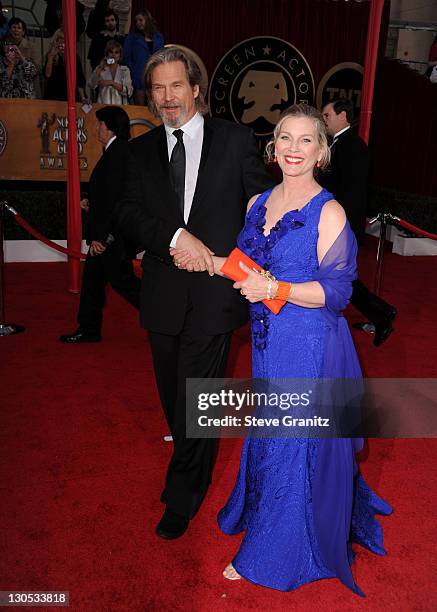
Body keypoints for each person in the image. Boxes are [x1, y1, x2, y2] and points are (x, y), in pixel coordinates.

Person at [179, 104, 390, 595]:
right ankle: (281, 513)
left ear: (322, 151)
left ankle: (275, 551)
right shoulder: (257, 203)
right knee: (272, 436)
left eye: (306, 140)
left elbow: (337, 293)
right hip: (267, 342)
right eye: (285, 139)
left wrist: (275, 290)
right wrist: (206, 259)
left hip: (309, 344)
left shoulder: (329, 211)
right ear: (272, 147)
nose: (294, 149)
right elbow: (247, 268)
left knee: (291, 444)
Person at [112, 46, 274, 539]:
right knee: (174, 401)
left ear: (196, 88)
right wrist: (176, 239)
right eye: (158, 88)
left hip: (213, 295)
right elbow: (126, 212)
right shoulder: (138, 151)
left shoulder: (234, 139)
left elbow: (258, 204)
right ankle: (191, 465)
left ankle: (182, 495)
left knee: (198, 403)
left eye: (176, 86)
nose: (167, 98)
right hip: (161, 294)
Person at [60, 106, 141, 344]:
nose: (97, 128)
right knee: (93, 283)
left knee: (124, 283)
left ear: (109, 128)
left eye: (100, 124)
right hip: (109, 234)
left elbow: (114, 199)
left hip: (110, 237)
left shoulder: (117, 153)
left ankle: (166, 316)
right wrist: (91, 201)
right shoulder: (116, 151)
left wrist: (101, 236)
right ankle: (89, 329)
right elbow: (107, 193)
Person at [320, 98, 397, 346]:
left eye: (327, 116)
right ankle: (381, 313)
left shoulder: (351, 147)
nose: (324, 120)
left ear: (343, 115)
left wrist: (335, 227)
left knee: (342, 278)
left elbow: (349, 194)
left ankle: (382, 314)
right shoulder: (343, 145)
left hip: (342, 226)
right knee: (341, 277)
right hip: (340, 224)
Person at [123, 9, 164, 105]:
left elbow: (162, 55)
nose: (138, 23)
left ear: (147, 19)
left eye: (140, 20)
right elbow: (126, 57)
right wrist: (133, 70)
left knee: (155, 105)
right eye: (136, 21)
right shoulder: (132, 37)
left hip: (155, 75)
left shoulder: (158, 37)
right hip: (138, 75)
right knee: (139, 107)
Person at [44, 30, 87, 102]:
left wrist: (83, 97)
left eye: (64, 42)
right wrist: (51, 56)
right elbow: (47, 75)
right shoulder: (50, 55)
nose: (62, 45)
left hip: (70, 96)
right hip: (53, 96)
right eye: (59, 42)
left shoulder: (75, 57)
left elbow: (79, 79)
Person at [88, 40, 132, 105]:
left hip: (121, 108)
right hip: (103, 107)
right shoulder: (100, 68)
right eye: (111, 52)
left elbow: (129, 92)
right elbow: (91, 85)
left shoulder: (125, 70)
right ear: (107, 53)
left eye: (116, 52)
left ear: (120, 55)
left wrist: (111, 83)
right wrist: (100, 67)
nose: (113, 54)